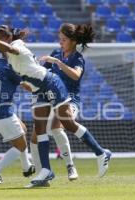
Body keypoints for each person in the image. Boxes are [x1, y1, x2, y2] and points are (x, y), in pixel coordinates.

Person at [0, 22, 111, 187]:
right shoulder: (7, 58)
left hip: (50, 84)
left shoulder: (16, 45)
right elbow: (25, 69)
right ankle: (46, 171)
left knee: (65, 123)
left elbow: (12, 49)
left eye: (0, 39)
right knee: (39, 130)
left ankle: (100, 152)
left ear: (9, 38)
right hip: (40, 89)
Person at [30, 23, 94, 181]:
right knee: (35, 136)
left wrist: (58, 63)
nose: (60, 42)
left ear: (73, 41)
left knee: (56, 126)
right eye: (59, 39)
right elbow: (43, 75)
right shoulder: (55, 53)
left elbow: (75, 76)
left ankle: (70, 166)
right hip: (51, 98)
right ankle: (42, 173)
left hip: (70, 99)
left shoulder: (77, 58)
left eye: (63, 39)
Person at [0, 55, 35, 184]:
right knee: (21, 146)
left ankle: (27, 167)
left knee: (22, 128)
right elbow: (29, 87)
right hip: (2, 111)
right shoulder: (10, 68)